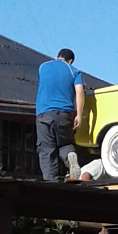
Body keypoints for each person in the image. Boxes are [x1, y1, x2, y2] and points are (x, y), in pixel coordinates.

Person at [35, 48, 85, 181]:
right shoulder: (73, 71)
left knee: (46, 150)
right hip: (64, 114)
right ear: (71, 61)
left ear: (57, 56)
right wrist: (79, 115)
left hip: (44, 114)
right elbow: (79, 92)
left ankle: (51, 183)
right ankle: (70, 156)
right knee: (65, 143)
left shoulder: (42, 67)